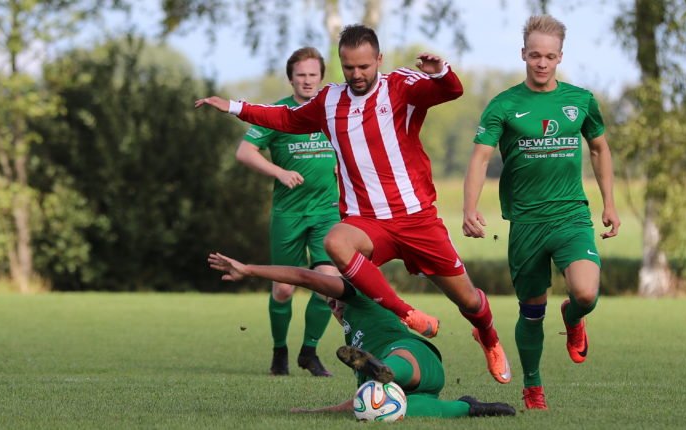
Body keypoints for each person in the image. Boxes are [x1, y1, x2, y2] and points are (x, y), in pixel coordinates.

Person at [195, 24, 512, 386]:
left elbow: (451, 91)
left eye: (364, 66)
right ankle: (404, 314)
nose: (357, 74)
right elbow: (285, 118)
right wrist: (234, 106)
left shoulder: (401, 86)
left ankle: (488, 336)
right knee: (335, 242)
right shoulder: (329, 100)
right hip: (367, 222)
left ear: (379, 59)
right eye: (349, 67)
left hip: (416, 219)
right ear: (341, 64)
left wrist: (441, 72)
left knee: (469, 302)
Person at [462, 15, 621, 410]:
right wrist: (469, 208)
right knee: (532, 312)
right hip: (526, 224)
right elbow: (480, 158)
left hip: (571, 217)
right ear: (523, 54)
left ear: (560, 57)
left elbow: (600, 149)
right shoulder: (504, 105)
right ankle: (533, 386)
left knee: (586, 292)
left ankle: (574, 317)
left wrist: (610, 203)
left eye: (550, 56)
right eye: (535, 55)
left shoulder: (581, 101)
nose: (542, 63)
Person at [207, 251, 516, 419]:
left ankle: (387, 369)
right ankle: (470, 408)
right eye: (328, 303)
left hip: (419, 360)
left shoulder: (359, 293)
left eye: (332, 296)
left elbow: (302, 276)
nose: (332, 303)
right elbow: (359, 401)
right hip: (417, 390)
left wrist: (249, 270)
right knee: (385, 411)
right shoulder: (352, 338)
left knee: (395, 359)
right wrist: (312, 412)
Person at [234, 47, 340, 377]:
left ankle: (309, 352)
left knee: (329, 283)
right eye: (301, 75)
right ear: (291, 78)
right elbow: (244, 151)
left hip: (328, 212)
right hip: (288, 214)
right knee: (283, 289)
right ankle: (279, 352)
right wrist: (278, 172)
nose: (307, 80)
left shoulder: (332, 110)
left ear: (321, 77)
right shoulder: (278, 113)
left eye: (313, 75)